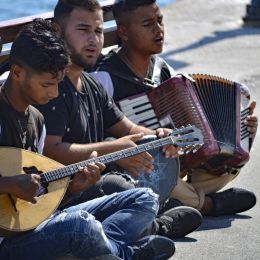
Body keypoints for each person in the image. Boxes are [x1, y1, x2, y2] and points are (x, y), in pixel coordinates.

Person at [0, 18, 175, 260]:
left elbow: (34, 202)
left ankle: (102, 250)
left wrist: (73, 189)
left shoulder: (36, 121)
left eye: (57, 84)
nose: (53, 93)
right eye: (46, 84)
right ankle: (127, 254)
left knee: (144, 198)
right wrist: (8, 184)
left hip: (36, 224)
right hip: (6, 243)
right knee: (79, 225)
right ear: (17, 73)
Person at [35, 0, 202, 240]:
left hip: (93, 182)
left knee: (134, 181)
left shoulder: (92, 85)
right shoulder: (53, 88)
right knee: (120, 187)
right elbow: (51, 149)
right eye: (83, 30)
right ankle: (157, 227)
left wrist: (159, 136)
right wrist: (114, 148)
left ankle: (148, 219)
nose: (93, 40)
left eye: (99, 31)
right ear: (57, 31)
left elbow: (128, 128)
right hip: (63, 194)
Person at [92, 0, 258, 216]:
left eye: (160, 20)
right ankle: (206, 204)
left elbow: (191, 129)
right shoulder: (104, 77)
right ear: (123, 32)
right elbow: (96, 137)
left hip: (174, 165)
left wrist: (242, 129)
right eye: (148, 24)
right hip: (135, 168)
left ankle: (177, 201)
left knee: (230, 161)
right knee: (148, 175)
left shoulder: (163, 70)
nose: (158, 29)